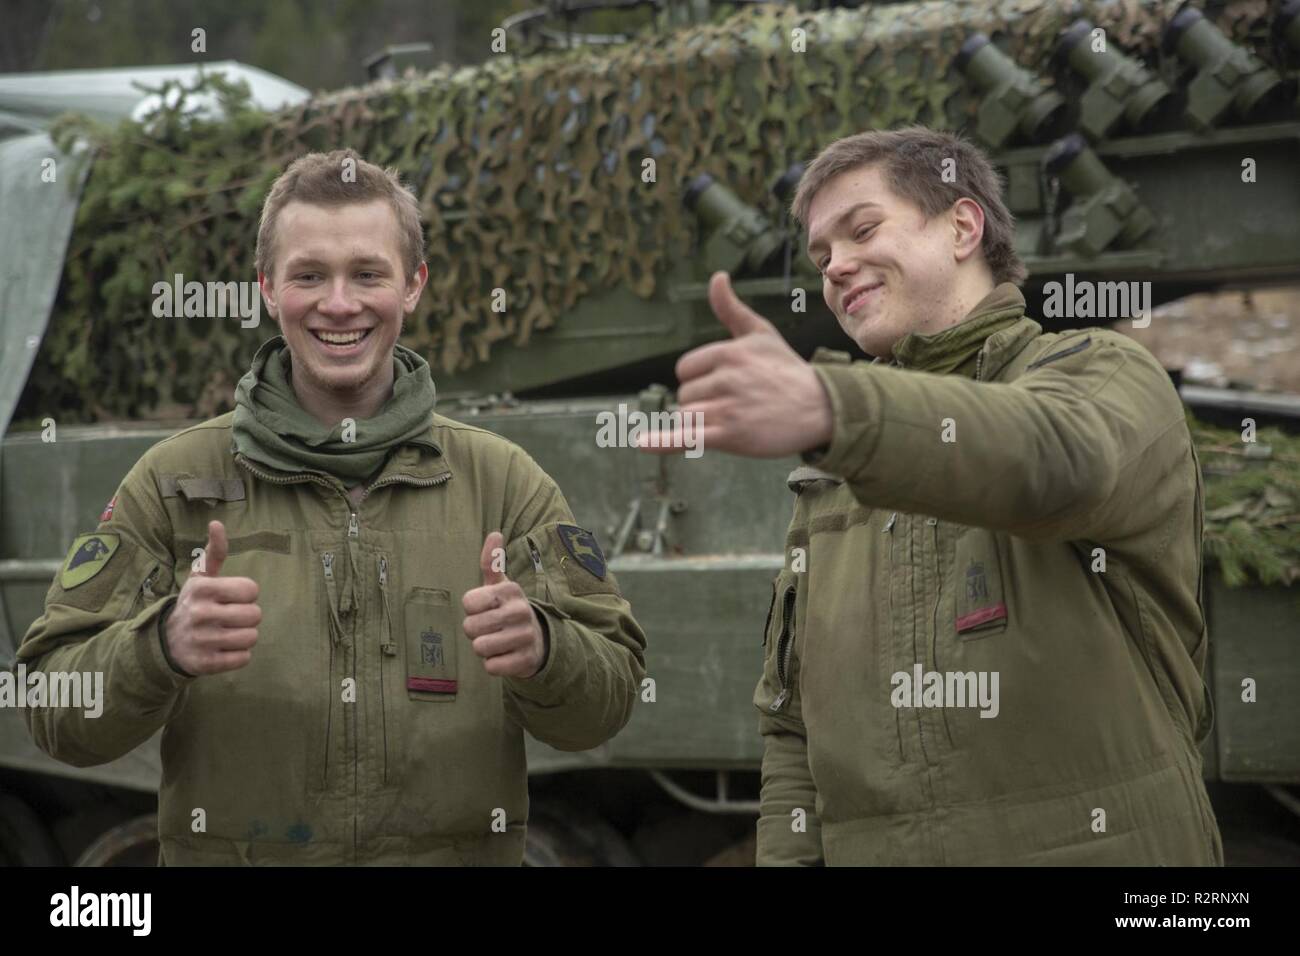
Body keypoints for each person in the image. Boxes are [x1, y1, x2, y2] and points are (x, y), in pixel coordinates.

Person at [18, 149, 647, 865]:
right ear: (266, 288)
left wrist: (544, 649)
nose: (340, 303)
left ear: (412, 287)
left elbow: (613, 698)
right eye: (309, 275)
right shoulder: (174, 479)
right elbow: (50, 706)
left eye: (368, 274)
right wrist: (159, 646)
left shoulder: (502, 482)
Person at [642, 125, 1221, 865]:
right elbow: (791, 728)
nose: (836, 267)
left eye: (863, 229)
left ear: (962, 226)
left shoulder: (1102, 372)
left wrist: (835, 409)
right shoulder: (833, 474)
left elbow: (1057, 462)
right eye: (820, 257)